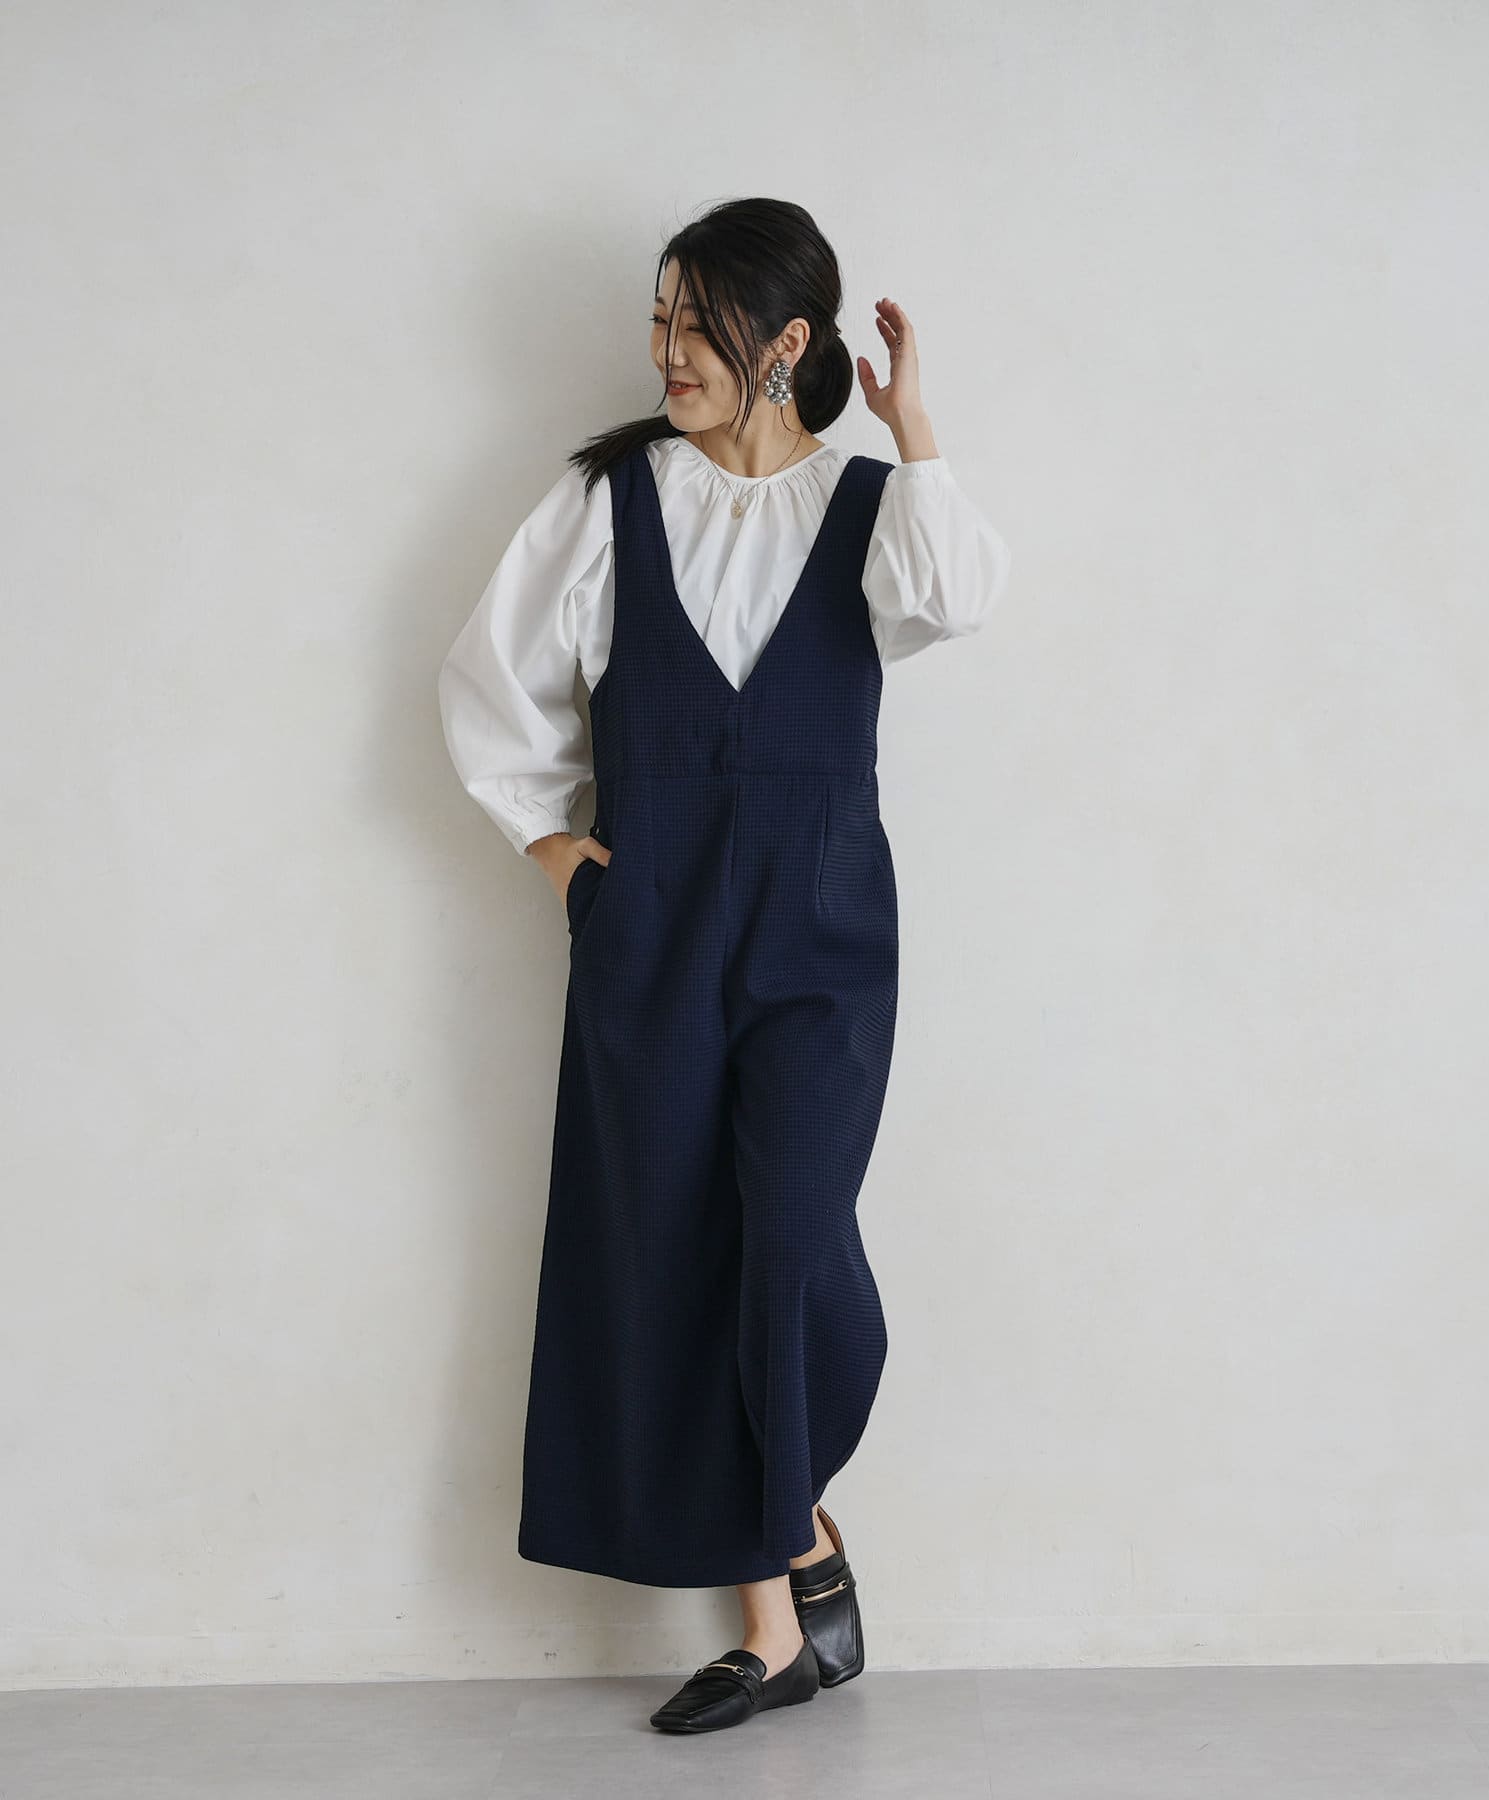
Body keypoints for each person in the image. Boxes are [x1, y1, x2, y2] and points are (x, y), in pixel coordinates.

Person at [438, 197, 1012, 1734]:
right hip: (652, 922)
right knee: (675, 1246)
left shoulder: (870, 503)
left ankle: (798, 1522)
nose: (666, 351)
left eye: (696, 324)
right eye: (660, 320)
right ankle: (778, 1624)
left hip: (824, 930)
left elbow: (960, 599)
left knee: (794, 1241)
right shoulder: (611, 498)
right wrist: (559, 855)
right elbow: (489, 684)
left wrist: (914, 427)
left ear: (786, 342)